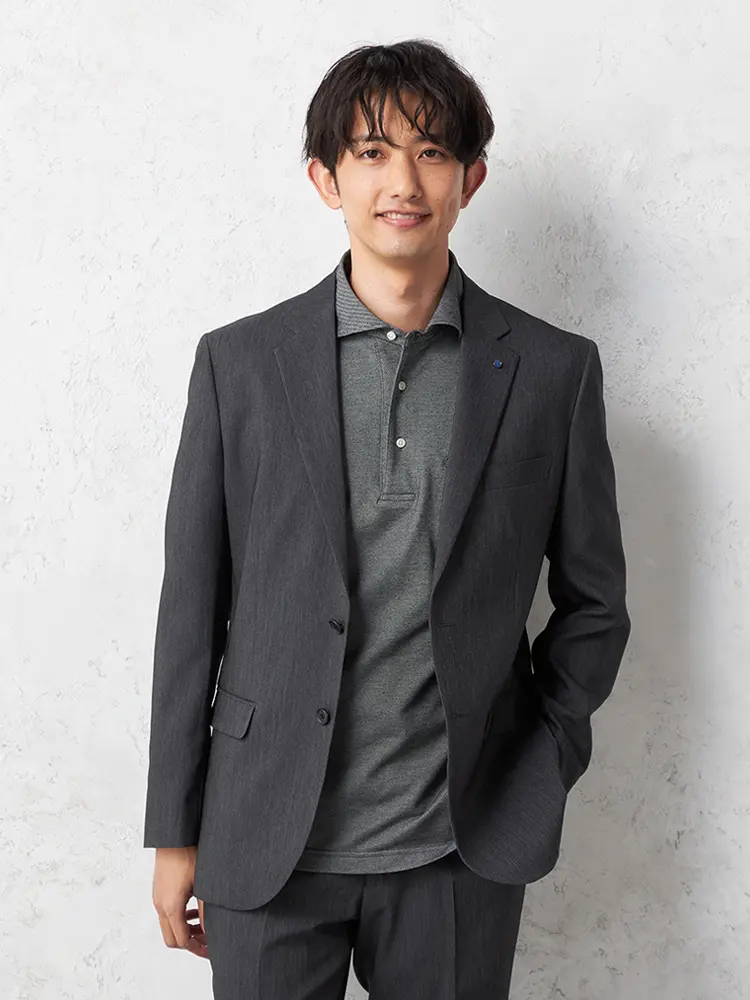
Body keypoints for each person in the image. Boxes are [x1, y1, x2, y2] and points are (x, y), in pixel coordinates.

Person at [144, 38, 631, 1000]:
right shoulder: (239, 365)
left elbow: (595, 604)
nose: (402, 182)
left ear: (470, 179)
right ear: (326, 179)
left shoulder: (553, 372)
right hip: (266, 840)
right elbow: (192, 609)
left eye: (432, 152)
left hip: (457, 848)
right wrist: (174, 829)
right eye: (371, 153)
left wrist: (544, 756)